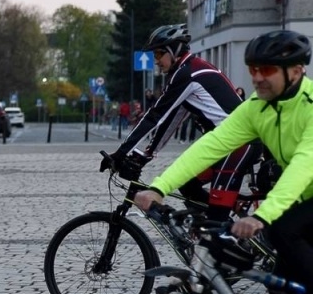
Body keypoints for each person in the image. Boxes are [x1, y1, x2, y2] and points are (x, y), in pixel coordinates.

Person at [134, 30, 313, 294]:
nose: (257, 77)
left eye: (266, 70)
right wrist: (160, 187)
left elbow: (303, 165)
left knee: (284, 231)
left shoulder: (311, 105)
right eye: (253, 69)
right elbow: (211, 145)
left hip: (304, 190)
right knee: (281, 287)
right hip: (299, 196)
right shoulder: (257, 108)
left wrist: (262, 216)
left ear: (296, 71)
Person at [105, 24, 264, 213]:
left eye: (159, 54)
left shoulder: (187, 73)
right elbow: (171, 120)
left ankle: (225, 224)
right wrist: (146, 154)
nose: (156, 61)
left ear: (174, 51)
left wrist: (121, 152)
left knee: (217, 216)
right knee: (187, 184)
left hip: (240, 144)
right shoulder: (188, 70)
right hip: (228, 143)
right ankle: (228, 214)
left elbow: (155, 115)